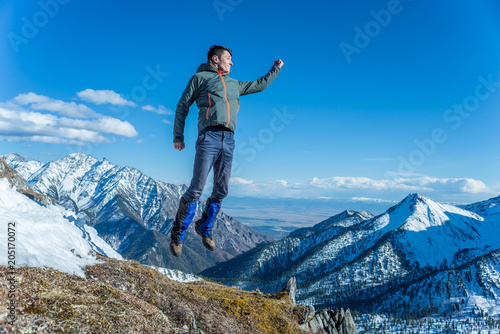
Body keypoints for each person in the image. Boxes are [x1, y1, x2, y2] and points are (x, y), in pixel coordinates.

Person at [169, 45, 284, 257]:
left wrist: (275, 69)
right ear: (216, 59)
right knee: (196, 189)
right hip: (208, 137)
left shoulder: (234, 84)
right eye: (228, 58)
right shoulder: (200, 78)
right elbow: (182, 106)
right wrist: (178, 136)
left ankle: (204, 227)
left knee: (221, 190)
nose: (232, 62)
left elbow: (260, 85)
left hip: (229, 139)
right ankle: (178, 235)